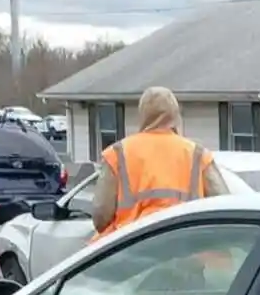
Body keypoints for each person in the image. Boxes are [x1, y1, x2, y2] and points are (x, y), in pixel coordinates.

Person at [88, 85, 226, 240]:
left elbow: (100, 217)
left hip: (131, 251)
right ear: (176, 116)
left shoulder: (117, 153)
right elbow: (225, 209)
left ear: (142, 116)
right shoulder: (198, 154)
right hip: (188, 251)